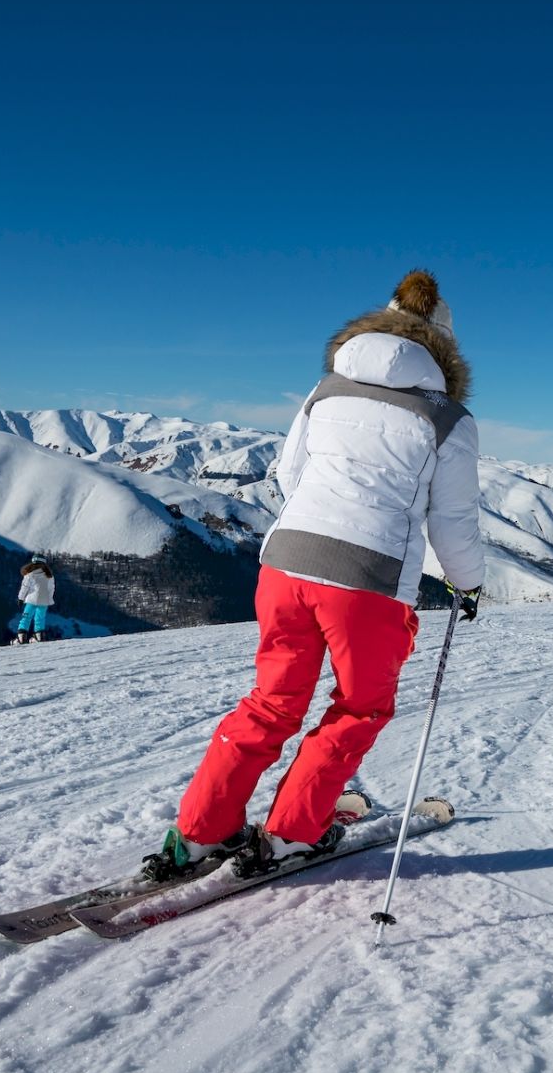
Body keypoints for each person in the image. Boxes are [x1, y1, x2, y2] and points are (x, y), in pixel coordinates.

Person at [144, 270, 485, 882]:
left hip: (285, 564)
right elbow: (452, 519)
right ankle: (292, 835)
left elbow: (288, 472)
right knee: (359, 707)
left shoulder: (324, 391)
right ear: (443, 349)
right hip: (369, 577)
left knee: (272, 701)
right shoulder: (448, 419)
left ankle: (200, 833)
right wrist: (468, 583)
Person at [14, 555, 54, 644]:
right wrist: (49, 599)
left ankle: (21, 638)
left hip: (31, 600)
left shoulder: (30, 575)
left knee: (26, 617)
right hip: (44, 600)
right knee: (40, 618)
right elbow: (51, 589)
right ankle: (39, 637)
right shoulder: (49, 575)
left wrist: (20, 598)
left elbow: (24, 588)